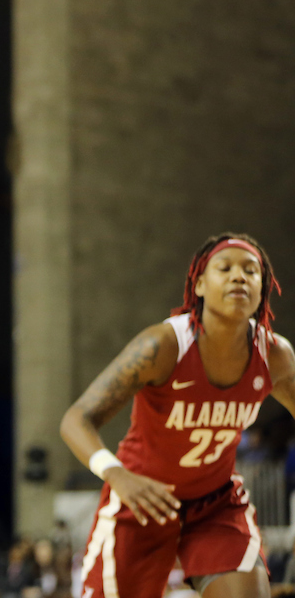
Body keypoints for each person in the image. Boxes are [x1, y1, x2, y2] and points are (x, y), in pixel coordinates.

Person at [61, 232, 295, 598]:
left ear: (263, 288)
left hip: (216, 501)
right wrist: (116, 474)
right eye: (226, 268)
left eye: (251, 271)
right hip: (143, 497)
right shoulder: (163, 345)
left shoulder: (275, 355)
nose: (239, 277)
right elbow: (76, 419)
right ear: (199, 284)